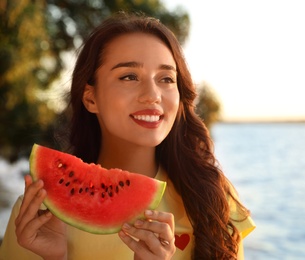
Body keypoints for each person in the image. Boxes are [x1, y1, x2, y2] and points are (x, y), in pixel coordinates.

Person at [0, 12, 255, 259]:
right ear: (90, 98)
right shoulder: (37, 212)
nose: (153, 94)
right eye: (129, 76)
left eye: (166, 78)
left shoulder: (213, 199)